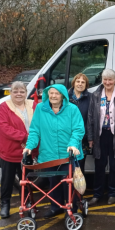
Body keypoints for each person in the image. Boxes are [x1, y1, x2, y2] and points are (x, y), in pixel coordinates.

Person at [23, 84, 85, 218]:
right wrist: (29, 146)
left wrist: (73, 144)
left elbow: (78, 129)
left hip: (67, 154)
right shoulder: (40, 109)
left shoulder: (72, 109)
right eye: (51, 93)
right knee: (53, 183)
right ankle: (55, 207)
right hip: (48, 154)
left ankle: (72, 208)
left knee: (68, 183)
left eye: (56, 93)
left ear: (62, 95)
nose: (53, 96)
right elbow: (35, 130)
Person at [87, 69, 115, 206]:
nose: (107, 82)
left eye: (110, 79)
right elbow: (90, 117)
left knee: (114, 165)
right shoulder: (95, 94)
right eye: (105, 79)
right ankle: (97, 194)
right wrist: (90, 137)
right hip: (100, 134)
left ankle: (113, 193)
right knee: (99, 165)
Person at [0, 82, 38, 219]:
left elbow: (39, 124)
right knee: (7, 180)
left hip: (28, 151)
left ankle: (27, 204)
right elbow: (4, 127)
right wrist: (25, 137)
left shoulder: (33, 105)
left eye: (21, 91)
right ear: (11, 93)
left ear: (26, 92)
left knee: (26, 180)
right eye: (15, 91)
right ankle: (5, 204)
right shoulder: (4, 107)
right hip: (10, 150)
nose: (19, 94)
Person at [68, 73, 92, 174]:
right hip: (67, 135)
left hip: (83, 137)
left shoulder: (90, 97)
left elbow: (92, 119)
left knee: (80, 165)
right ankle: (67, 188)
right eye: (78, 81)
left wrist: (90, 137)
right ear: (73, 83)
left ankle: (78, 189)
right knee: (67, 163)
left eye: (83, 82)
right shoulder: (65, 97)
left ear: (86, 85)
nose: (80, 84)